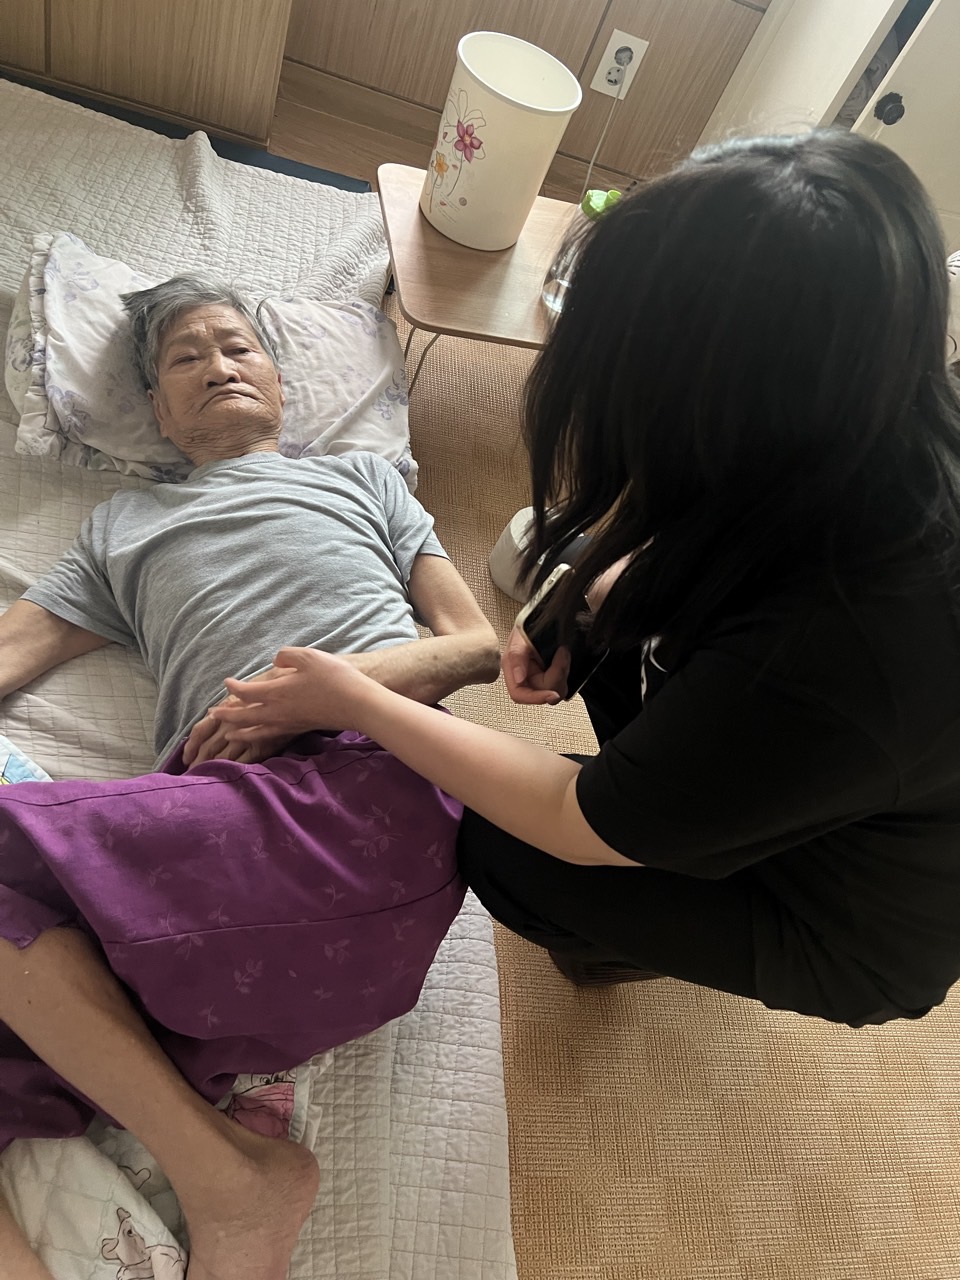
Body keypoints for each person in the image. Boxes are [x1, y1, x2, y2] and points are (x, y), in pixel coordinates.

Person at [208, 131, 960, 1035]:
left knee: (505, 844)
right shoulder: (869, 418)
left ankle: (629, 932)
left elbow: (573, 819)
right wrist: (572, 591)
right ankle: (684, 821)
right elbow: (678, 521)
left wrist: (353, 699)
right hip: (829, 755)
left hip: (844, 910)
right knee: (596, 602)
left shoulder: (839, 652)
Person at [0, 276, 499, 1280]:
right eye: (186, 358)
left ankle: (226, 1178)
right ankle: (227, 1193)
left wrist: (321, 694)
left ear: (278, 380)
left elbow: (477, 645)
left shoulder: (364, 480)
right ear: (158, 410)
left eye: (238, 347)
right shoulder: (122, 526)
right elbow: (15, 646)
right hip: (239, 921)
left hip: (374, 793)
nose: (219, 366)